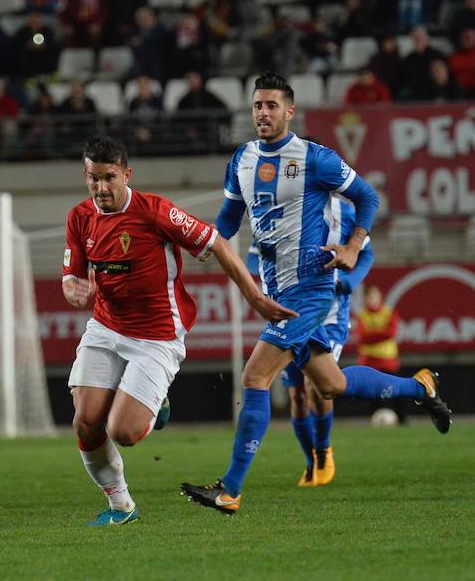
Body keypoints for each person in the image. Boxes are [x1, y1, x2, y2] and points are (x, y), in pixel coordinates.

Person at [179, 73, 452, 515]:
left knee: (254, 377)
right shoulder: (242, 160)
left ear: (289, 112)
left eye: (272, 105)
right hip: (277, 289)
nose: (263, 113)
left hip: (309, 292)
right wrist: (204, 243)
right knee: (332, 384)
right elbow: (229, 218)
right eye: (257, 106)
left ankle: (230, 489)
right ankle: (418, 387)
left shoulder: (314, 158)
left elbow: (367, 198)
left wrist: (351, 245)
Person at [62, 135, 297, 525]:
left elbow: (217, 243)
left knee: (124, 432)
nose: (101, 187)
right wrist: (72, 287)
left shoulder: (155, 213)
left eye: (109, 177)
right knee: (86, 422)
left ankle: (157, 404)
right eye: (92, 178)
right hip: (105, 326)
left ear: (126, 174)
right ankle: (122, 507)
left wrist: (254, 297)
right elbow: (71, 274)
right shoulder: (79, 218)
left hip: (156, 335)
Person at [250, 196, 375, 488]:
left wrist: (349, 283)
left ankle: (324, 452)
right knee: (297, 396)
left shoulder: (342, 211)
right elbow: (254, 254)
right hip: (291, 313)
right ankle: (311, 462)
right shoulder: (276, 210)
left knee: (317, 386)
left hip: (328, 316)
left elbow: (366, 254)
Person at [356, 284, 406, 424]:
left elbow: (390, 333)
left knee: (396, 390)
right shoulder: (363, 315)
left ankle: (402, 420)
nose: (372, 299)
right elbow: (361, 338)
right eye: (369, 296)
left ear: (380, 297)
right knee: (372, 394)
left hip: (387, 359)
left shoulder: (388, 313)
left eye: (374, 295)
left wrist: (371, 336)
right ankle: (374, 420)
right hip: (369, 361)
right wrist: (380, 334)